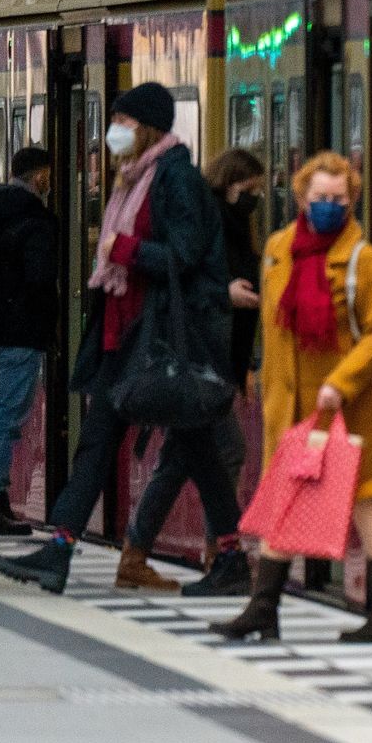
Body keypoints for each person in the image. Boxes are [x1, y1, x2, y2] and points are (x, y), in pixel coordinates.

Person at [0, 85, 244, 595]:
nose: (115, 132)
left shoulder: (176, 178)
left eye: (123, 121)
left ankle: (231, 559)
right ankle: (60, 548)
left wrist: (121, 247)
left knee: (194, 446)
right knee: (102, 442)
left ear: (148, 126)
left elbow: (185, 255)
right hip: (128, 336)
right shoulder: (134, 178)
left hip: (161, 339)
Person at [211, 151, 372, 642]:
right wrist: (254, 375)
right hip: (290, 405)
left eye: (338, 198)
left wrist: (340, 384)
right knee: (285, 499)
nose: (328, 205)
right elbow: (272, 328)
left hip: (347, 406)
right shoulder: (277, 249)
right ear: (301, 197)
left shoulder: (365, 259)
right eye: (319, 197)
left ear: (352, 200)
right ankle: (265, 608)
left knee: (364, 502)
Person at [116, 149, 267, 593]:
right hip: (198, 362)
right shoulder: (211, 220)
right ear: (231, 182)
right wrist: (224, 293)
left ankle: (145, 553)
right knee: (220, 450)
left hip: (213, 362)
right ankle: (220, 554)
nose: (255, 197)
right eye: (251, 188)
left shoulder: (235, 225)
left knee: (182, 458)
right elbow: (193, 282)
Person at [0, 147, 55, 536]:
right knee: (6, 414)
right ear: (39, 177)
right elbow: (40, 279)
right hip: (21, 332)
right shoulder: (37, 222)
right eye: (49, 176)